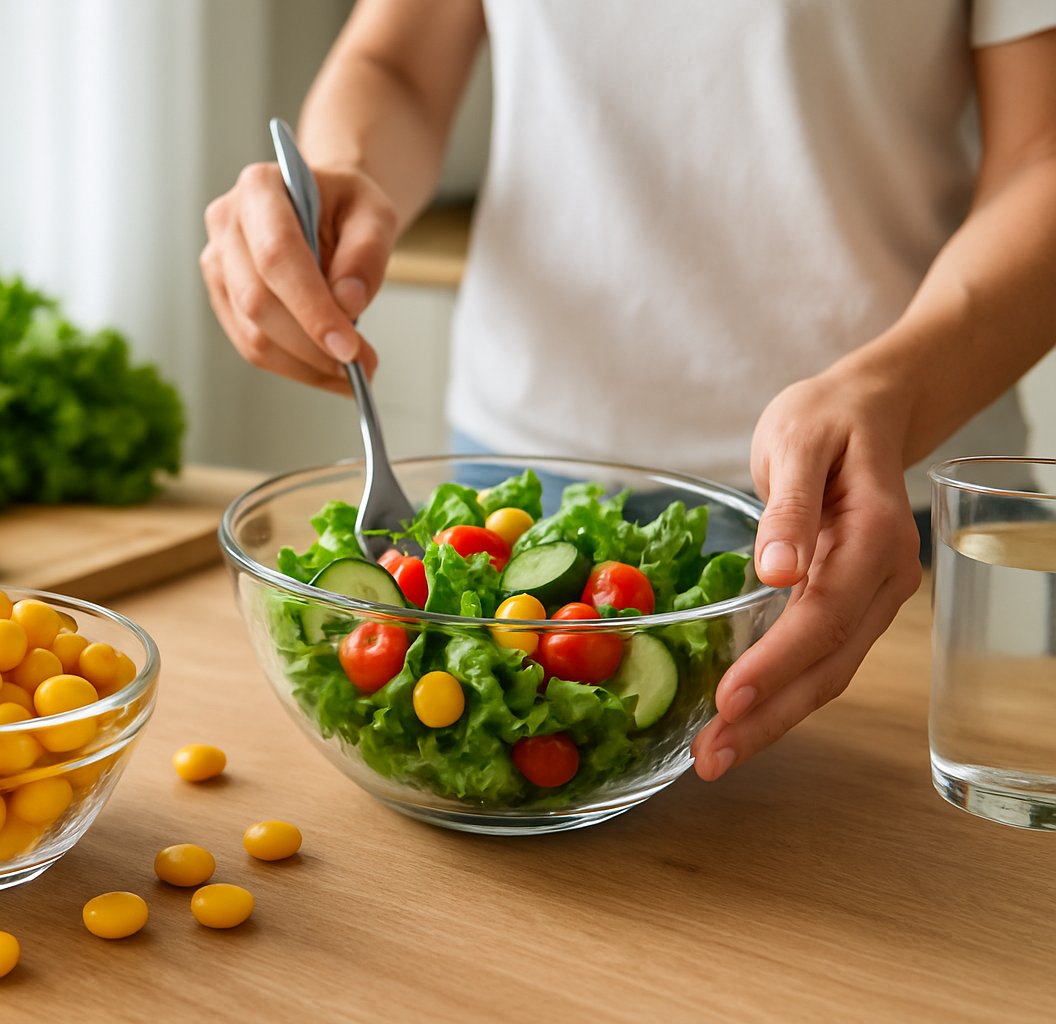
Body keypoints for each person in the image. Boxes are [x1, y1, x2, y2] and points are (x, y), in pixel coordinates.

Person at [200, 1, 1056, 781]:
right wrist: (341, 178)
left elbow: (1042, 154)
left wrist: (891, 391)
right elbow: (399, 63)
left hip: (875, 508)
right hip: (511, 486)